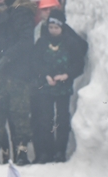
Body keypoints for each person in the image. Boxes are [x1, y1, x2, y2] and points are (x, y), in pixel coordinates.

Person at [0, 0, 38, 164]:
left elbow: (25, 42)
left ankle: (22, 152)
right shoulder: (4, 13)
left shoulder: (22, 12)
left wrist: (6, 58)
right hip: (2, 72)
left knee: (19, 113)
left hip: (18, 73)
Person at [31, 10, 86, 163]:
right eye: (51, 27)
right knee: (45, 118)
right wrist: (45, 75)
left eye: (56, 27)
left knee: (62, 119)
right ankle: (46, 152)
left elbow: (78, 64)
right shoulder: (42, 42)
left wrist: (66, 75)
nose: (53, 30)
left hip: (63, 88)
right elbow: (36, 62)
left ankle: (60, 151)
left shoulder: (70, 42)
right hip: (46, 86)